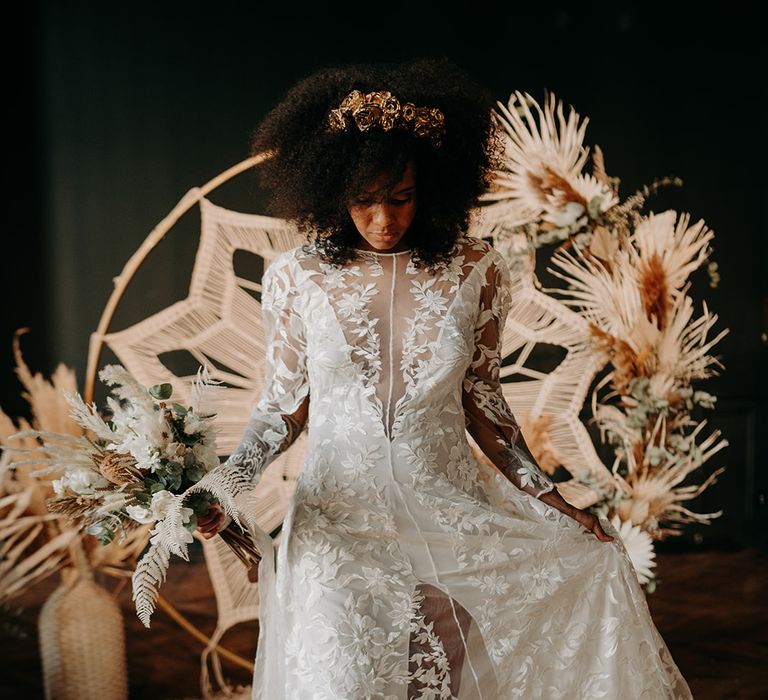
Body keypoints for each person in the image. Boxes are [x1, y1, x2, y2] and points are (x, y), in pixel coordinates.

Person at [193, 56, 693, 699]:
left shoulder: (477, 267)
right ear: (330, 193)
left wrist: (553, 500)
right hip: (339, 517)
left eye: (400, 198)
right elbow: (283, 409)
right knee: (341, 681)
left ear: (430, 187)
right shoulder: (297, 277)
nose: (383, 219)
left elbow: (486, 402)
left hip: (450, 506)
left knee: (459, 681)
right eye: (364, 201)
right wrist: (226, 482)